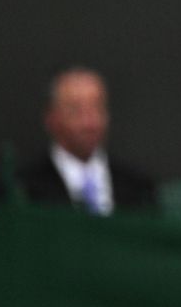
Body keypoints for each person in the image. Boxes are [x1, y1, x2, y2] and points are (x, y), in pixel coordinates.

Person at [17, 67, 157, 214]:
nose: (89, 123)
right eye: (76, 111)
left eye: (97, 109)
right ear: (52, 119)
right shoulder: (24, 190)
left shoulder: (138, 186)